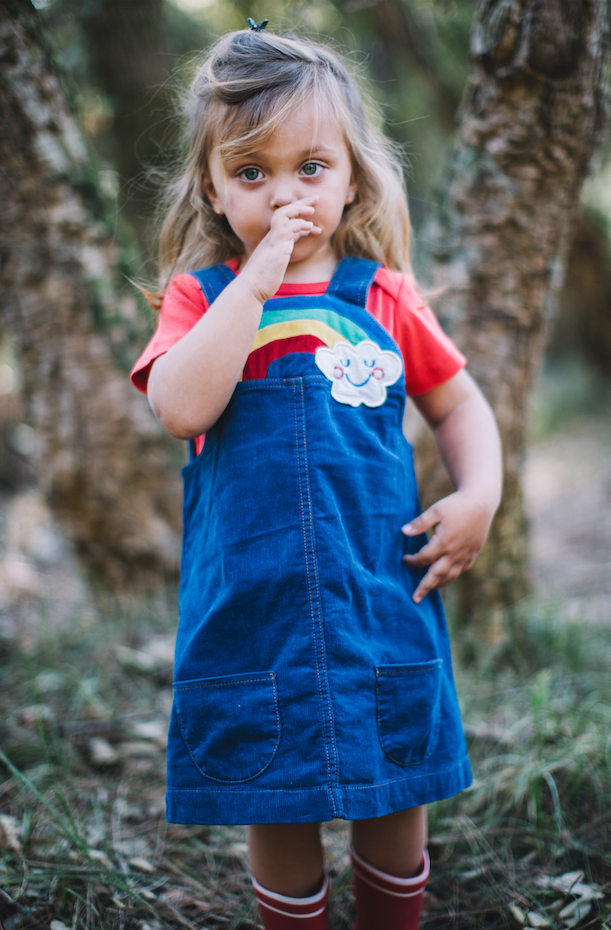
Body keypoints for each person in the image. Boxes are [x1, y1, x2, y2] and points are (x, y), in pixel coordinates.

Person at [130, 22, 502, 930]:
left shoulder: (382, 295)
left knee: (393, 786)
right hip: (250, 603)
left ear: (349, 175)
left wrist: (479, 493)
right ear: (213, 189)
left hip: (377, 588)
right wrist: (253, 284)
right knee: (275, 788)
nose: (285, 195)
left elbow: (458, 404)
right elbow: (180, 407)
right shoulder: (204, 298)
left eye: (310, 168)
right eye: (251, 174)